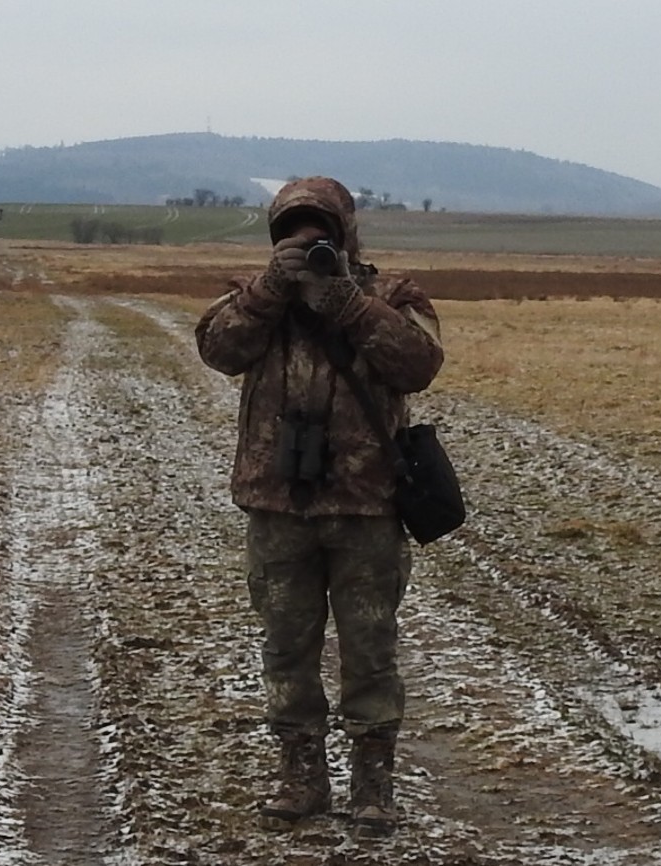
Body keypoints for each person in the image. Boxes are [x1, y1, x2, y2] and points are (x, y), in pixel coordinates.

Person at [194, 177, 444, 837]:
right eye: (291, 231)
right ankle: (301, 777)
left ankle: (372, 787)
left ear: (344, 232)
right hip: (278, 505)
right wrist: (272, 289)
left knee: (370, 650)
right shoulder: (255, 300)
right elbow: (218, 350)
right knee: (286, 648)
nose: (305, 241)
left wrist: (343, 300)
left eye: (318, 229)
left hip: (365, 507)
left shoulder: (390, 297)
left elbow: (418, 364)